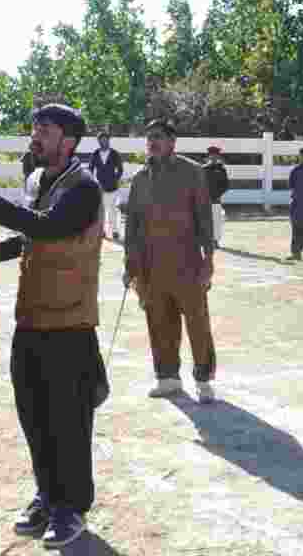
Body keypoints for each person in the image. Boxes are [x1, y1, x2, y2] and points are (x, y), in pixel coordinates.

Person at [0, 103, 104, 548]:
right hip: (31, 318)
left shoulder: (84, 188)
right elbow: (31, 235)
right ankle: (47, 496)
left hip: (70, 323)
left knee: (69, 422)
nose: (36, 136)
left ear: (68, 141)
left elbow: (49, 228)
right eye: (35, 129)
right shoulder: (36, 180)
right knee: (34, 417)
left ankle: (72, 508)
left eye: (45, 130)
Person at [123, 118, 217, 403]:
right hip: (151, 266)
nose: (152, 142)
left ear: (172, 142)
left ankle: (203, 380)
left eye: (159, 137)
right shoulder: (140, 179)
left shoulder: (192, 172)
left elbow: (204, 216)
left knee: (197, 322)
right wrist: (131, 265)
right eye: (149, 137)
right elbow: (132, 225)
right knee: (159, 323)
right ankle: (168, 378)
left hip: (187, 261)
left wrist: (208, 258)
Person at [87, 131, 124, 239]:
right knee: (101, 211)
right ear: (98, 141)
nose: (103, 141)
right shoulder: (95, 154)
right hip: (99, 187)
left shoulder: (114, 153)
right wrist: (93, 182)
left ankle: (115, 231)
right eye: (101, 140)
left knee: (113, 210)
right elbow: (90, 169)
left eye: (105, 139)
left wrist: (115, 179)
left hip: (113, 187)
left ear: (108, 140)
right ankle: (101, 230)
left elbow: (120, 169)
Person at [202, 146, 230, 248]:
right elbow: (200, 184)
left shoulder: (222, 169)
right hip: (205, 198)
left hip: (216, 199)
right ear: (208, 156)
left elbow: (225, 185)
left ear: (218, 157)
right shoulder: (203, 169)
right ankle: (206, 240)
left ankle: (216, 241)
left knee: (217, 220)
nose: (213, 157)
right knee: (206, 220)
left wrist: (218, 194)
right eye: (211, 155)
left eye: (215, 156)